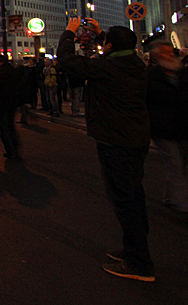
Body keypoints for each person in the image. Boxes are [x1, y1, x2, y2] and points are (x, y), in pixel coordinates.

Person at [58, 17, 154, 282]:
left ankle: (139, 263)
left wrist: (69, 33)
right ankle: (133, 249)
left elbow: (67, 60)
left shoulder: (109, 67)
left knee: (125, 201)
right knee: (134, 197)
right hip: (134, 138)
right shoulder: (133, 63)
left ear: (111, 46)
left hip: (116, 140)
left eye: (106, 42)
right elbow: (115, 51)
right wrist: (101, 34)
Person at [146, 42, 188, 213]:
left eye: (171, 52)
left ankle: (172, 196)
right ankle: (182, 204)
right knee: (175, 165)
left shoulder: (183, 74)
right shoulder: (150, 77)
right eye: (164, 53)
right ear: (156, 57)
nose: (170, 56)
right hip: (163, 129)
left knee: (182, 164)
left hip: (183, 127)